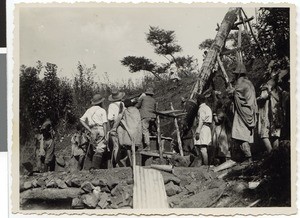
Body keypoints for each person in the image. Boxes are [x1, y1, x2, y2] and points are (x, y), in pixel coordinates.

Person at [228, 63, 257, 163]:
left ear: (238, 75)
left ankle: (249, 159)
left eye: (236, 74)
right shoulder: (250, 83)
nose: (235, 76)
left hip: (242, 114)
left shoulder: (241, 84)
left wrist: (232, 91)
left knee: (241, 136)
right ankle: (245, 158)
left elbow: (233, 93)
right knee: (245, 136)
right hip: (249, 112)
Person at [257, 70, 284, 153]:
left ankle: (271, 154)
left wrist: (258, 99)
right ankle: (274, 155)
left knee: (266, 134)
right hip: (273, 114)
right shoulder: (277, 89)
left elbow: (263, 97)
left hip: (271, 114)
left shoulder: (273, 89)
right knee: (274, 134)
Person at [80, 94, 108, 169]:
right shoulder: (102, 110)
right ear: (100, 102)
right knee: (100, 148)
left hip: (92, 130)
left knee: (95, 147)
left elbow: (81, 120)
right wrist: (105, 135)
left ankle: (94, 166)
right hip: (100, 128)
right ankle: (95, 167)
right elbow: (104, 123)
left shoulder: (89, 110)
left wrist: (89, 129)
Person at [113, 99, 143, 166]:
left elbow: (118, 119)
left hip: (128, 131)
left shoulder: (125, 111)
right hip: (136, 131)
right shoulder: (137, 111)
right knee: (135, 147)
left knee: (128, 147)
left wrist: (113, 128)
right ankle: (132, 162)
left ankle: (130, 161)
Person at [107, 88, 125, 167]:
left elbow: (110, 118)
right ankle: (123, 161)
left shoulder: (111, 106)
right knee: (122, 145)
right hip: (123, 126)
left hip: (115, 126)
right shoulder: (123, 104)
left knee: (116, 146)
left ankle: (117, 163)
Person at [194, 94, 212, 165]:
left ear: (199, 101)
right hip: (207, 127)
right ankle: (204, 163)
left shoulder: (201, 109)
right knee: (204, 147)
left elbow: (201, 120)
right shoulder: (207, 108)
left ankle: (205, 164)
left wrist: (198, 131)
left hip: (203, 128)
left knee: (202, 148)